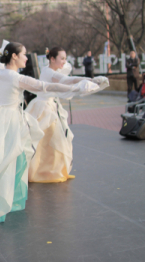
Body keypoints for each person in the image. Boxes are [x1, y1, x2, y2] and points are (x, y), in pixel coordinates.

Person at [0, 41, 100, 223]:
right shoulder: (16, 78)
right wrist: (78, 88)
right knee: (5, 161)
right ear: (14, 56)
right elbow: (46, 87)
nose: (27, 58)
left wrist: (83, 84)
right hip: (8, 121)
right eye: (24, 54)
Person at [26, 47, 108, 183]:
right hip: (43, 108)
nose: (64, 61)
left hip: (50, 107)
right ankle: (42, 172)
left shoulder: (52, 71)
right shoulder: (48, 71)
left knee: (52, 141)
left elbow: (68, 78)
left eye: (65, 58)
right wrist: (91, 80)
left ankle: (50, 171)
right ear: (52, 59)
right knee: (49, 141)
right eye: (62, 58)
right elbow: (66, 80)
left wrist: (91, 80)